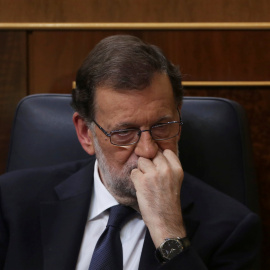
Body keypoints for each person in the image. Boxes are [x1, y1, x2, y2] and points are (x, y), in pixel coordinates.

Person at [0, 35, 260, 270]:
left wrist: (168, 232)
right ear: (85, 133)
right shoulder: (12, 202)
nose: (147, 150)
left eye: (162, 126)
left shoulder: (231, 229)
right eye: (124, 132)